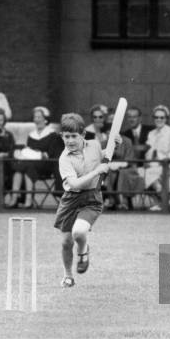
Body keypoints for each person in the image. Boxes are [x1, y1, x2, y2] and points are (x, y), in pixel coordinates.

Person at [54, 113, 119, 288]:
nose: (70, 140)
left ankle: (83, 252)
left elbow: (103, 155)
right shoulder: (64, 159)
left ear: (83, 134)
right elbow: (74, 183)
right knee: (66, 242)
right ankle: (68, 276)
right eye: (66, 137)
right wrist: (97, 171)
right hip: (71, 200)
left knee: (79, 232)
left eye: (74, 136)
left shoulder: (95, 145)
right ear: (62, 136)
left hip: (91, 198)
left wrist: (115, 145)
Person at [7, 106, 64, 208]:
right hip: (31, 164)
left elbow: (49, 155)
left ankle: (28, 200)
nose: (37, 120)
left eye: (39, 117)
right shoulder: (31, 135)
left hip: (46, 166)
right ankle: (15, 198)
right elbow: (29, 151)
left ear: (45, 119)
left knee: (25, 166)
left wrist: (37, 154)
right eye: (35, 117)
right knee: (21, 168)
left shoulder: (53, 135)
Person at [144, 105, 170, 212]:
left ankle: (163, 202)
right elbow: (148, 153)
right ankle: (164, 201)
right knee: (145, 172)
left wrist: (161, 158)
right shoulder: (151, 133)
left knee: (168, 179)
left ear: (166, 119)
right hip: (153, 165)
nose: (159, 120)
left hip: (168, 164)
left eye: (162, 117)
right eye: (156, 117)